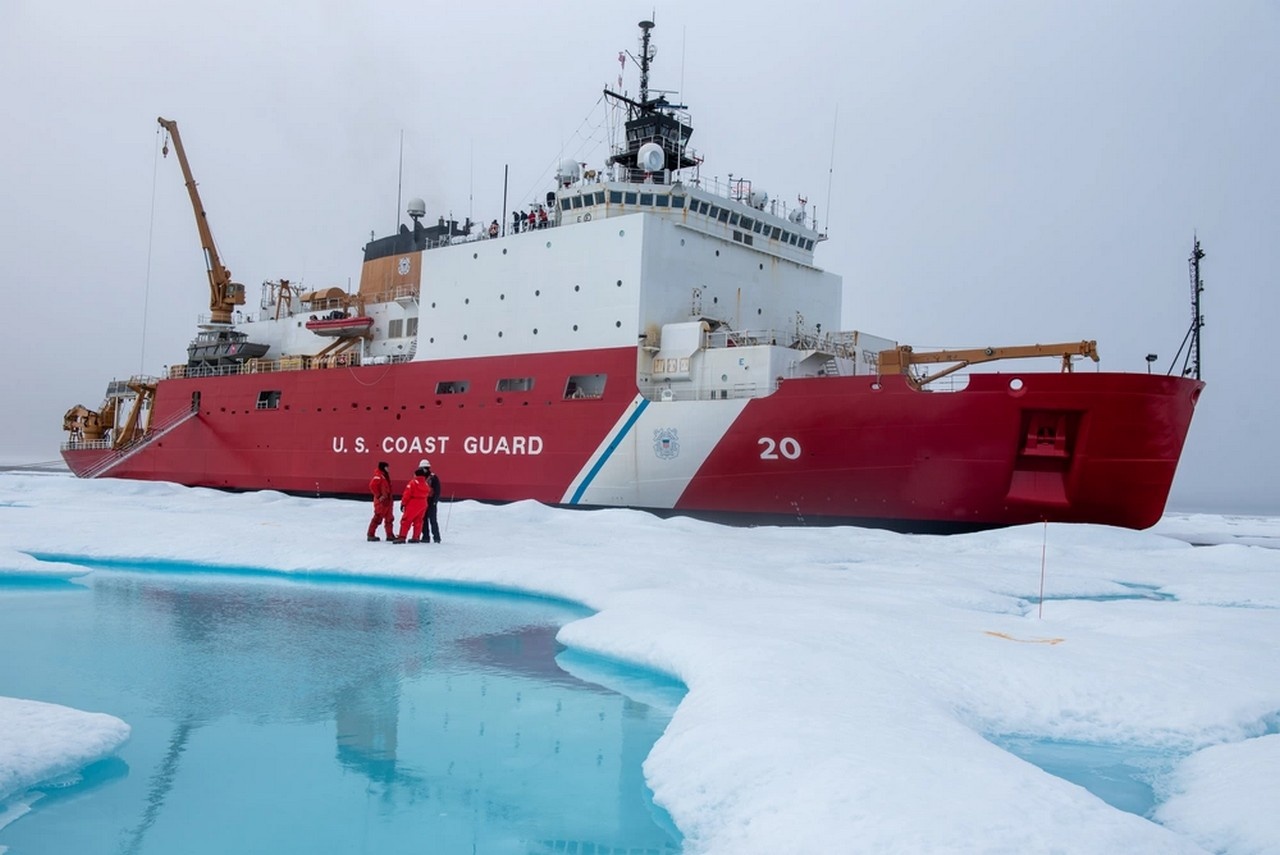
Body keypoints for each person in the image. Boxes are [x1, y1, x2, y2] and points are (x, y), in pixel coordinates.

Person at [392, 466, 431, 543]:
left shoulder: (413, 483)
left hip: (413, 503)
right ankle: (416, 537)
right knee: (418, 521)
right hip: (423, 503)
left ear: (416, 475)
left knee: (406, 520)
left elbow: (407, 494)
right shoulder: (425, 484)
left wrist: (403, 503)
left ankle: (402, 537)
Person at [366, 461, 395, 541]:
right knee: (377, 517)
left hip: (387, 501)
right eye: (387, 467)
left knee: (389, 518)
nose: (388, 469)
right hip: (381, 502)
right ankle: (370, 534)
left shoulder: (384, 476)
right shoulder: (379, 476)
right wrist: (379, 496)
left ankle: (389, 535)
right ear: (383, 467)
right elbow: (372, 485)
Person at [420, 458, 442, 543]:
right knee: (424, 520)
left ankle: (436, 537)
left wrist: (434, 501)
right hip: (423, 501)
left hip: (431, 501)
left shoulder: (433, 477)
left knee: (433, 520)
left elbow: (437, 490)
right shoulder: (420, 477)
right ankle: (425, 537)